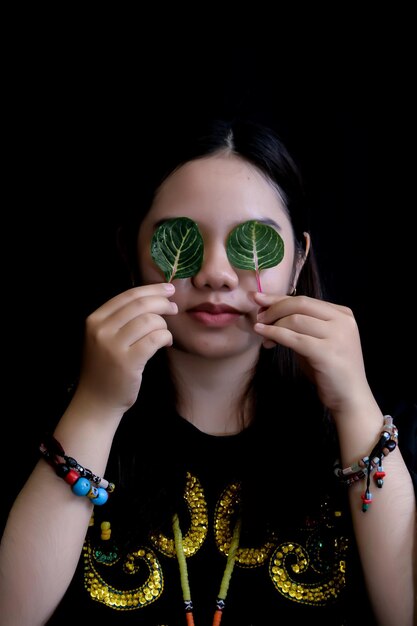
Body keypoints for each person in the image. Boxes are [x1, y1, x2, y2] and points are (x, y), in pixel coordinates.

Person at [0, 117, 416, 626]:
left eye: (252, 242)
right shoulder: (60, 418)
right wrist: (96, 405)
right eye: (182, 239)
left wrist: (354, 405)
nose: (216, 274)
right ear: (132, 252)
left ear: (299, 258)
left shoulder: (374, 428)